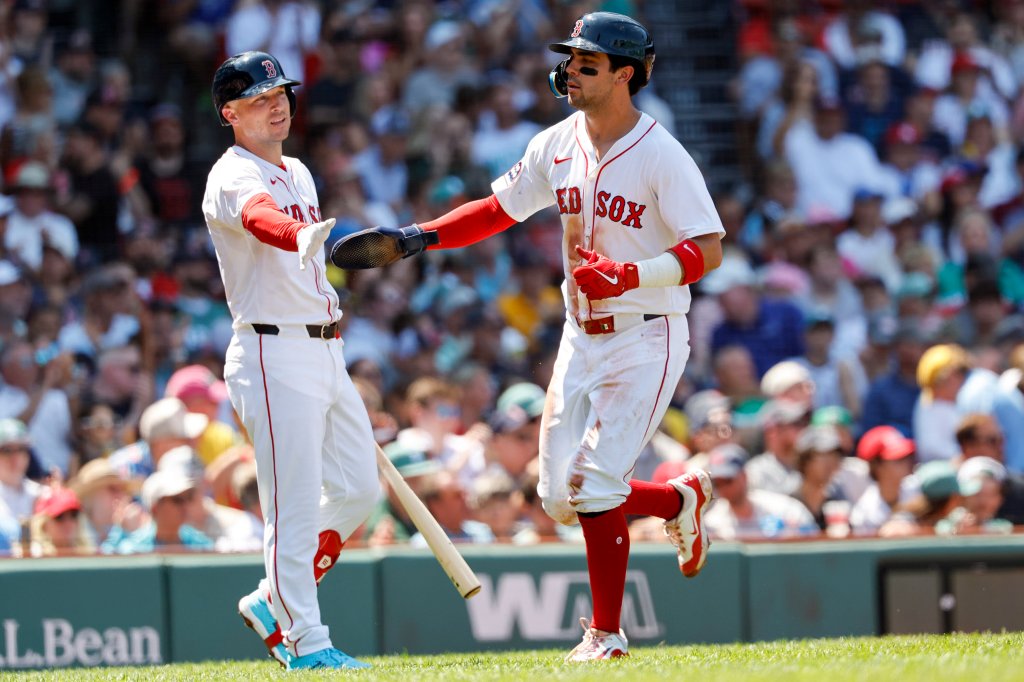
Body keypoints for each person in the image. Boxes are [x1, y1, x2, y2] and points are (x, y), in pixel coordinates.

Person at [350, 12, 723, 661]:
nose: (571, 71)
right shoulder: (556, 142)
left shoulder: (661, 152)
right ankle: (677, 498)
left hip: (647, 332)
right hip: (582, 335)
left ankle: (604, 635)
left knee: (597, 484)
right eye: (571, 59)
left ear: (625, 74)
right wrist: (420, 237)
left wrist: (634, 273)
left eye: (588, 62)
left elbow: (708, 248)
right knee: (557, 498)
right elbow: (498, 211)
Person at [202, 51, 378, 670]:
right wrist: (295, 234)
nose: (277, 104)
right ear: (230, 113)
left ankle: (272, 598)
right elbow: (259, 217)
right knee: (292, 507)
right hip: (272, 351)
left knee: (359, 489)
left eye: (281, 93)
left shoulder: (298, 169)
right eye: (259, 98)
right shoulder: (231, 173)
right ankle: (308, 641)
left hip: (325, 348)